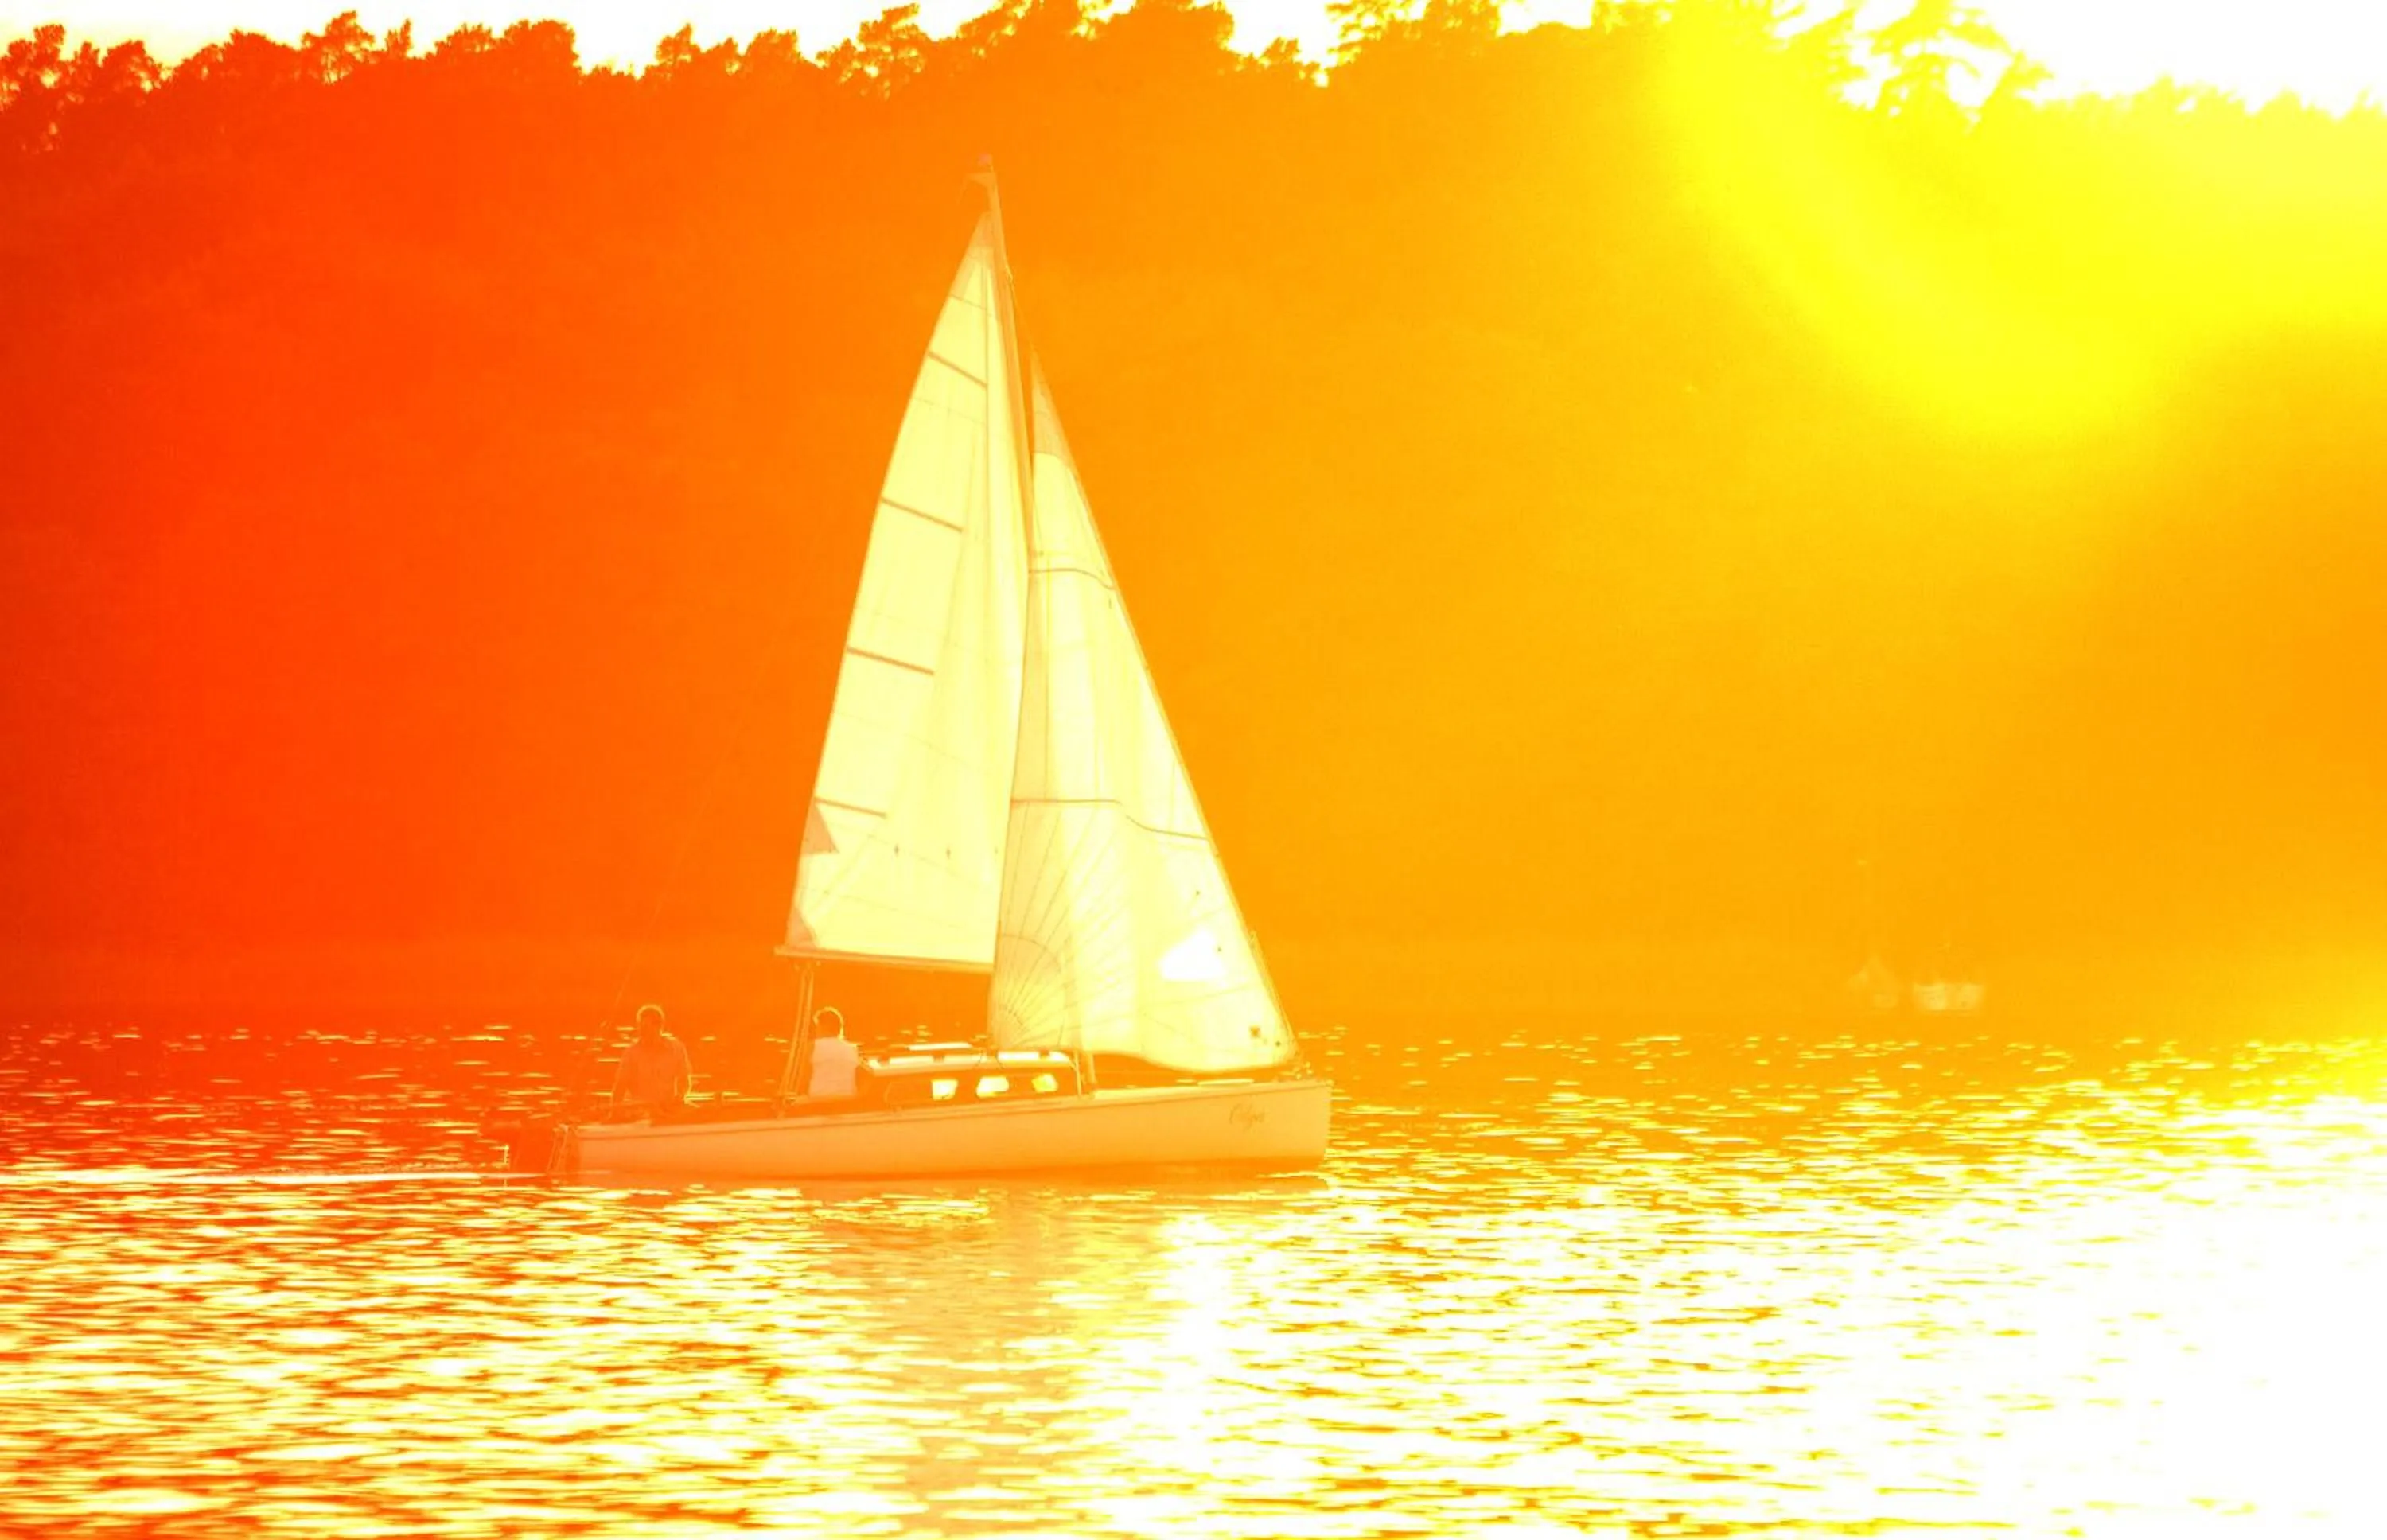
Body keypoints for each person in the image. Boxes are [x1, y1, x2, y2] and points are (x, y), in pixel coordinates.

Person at [612, 1003, 691, 1115]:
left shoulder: (677, 1048)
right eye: (641, 1027)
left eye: (646, 1028)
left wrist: (679, 1097)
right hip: (641, 1113)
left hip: (668, 1111)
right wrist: (614, 1112)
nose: (642, 1032)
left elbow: (684, 1080)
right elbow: (620, 1086)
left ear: (659, 1026)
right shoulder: (631, 1053)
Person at [804, 1008, 859, 1099]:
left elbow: (803, 1077)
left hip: (818, 1100)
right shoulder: (852, 1048)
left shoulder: (813, 1047)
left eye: (817, 1025)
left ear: (822, 1026)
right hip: (846, 1100)